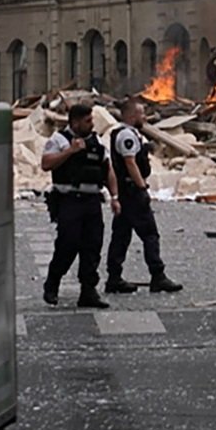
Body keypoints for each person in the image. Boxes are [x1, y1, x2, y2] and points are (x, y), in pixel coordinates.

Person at [41, 103, 119, 309]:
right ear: (75, 122)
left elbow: (108, 170)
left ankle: (88, 291)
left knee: (92, 246)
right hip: (69, 200)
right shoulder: (59, 140)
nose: (91, 124)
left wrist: (115, 197)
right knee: (68, 244)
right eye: (87, 121)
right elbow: (46, 163)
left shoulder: (96, 142)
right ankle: (52, 284)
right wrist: (70, 151)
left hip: (92, 201)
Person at [106, 97, 182, 295]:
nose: (144, 117)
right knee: (150, 234)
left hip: (125, 193)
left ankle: (114, 278)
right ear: (131, 116)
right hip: (132, 193)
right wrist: (142, 187)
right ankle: (158, 276)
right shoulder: (127, 136)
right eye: (141, 113)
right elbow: (130, 163)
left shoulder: (125, 133)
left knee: (121, 236)